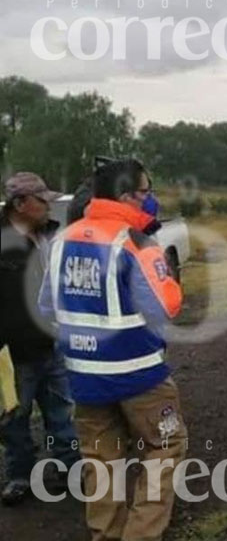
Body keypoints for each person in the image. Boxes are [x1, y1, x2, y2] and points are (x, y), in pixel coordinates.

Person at [38, 159, 186, 541]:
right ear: (125, 196)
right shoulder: (136, 242)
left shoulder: (61, 240)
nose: (150, 199)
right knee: (166, 447)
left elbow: (46, 308)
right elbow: (165, 306)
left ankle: (105, 534)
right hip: (141, 376)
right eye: (145, 191)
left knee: (101, 461)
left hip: (84, 377)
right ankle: (140, 533)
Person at [0, 172, 80, 506]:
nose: (48, 205)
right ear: (20, 204)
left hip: (53, 344)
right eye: (41, 199)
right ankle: (20, 476)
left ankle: (69, 468)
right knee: (13, 419)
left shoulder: (52, 235)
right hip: (11, 352)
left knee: (61, 411)